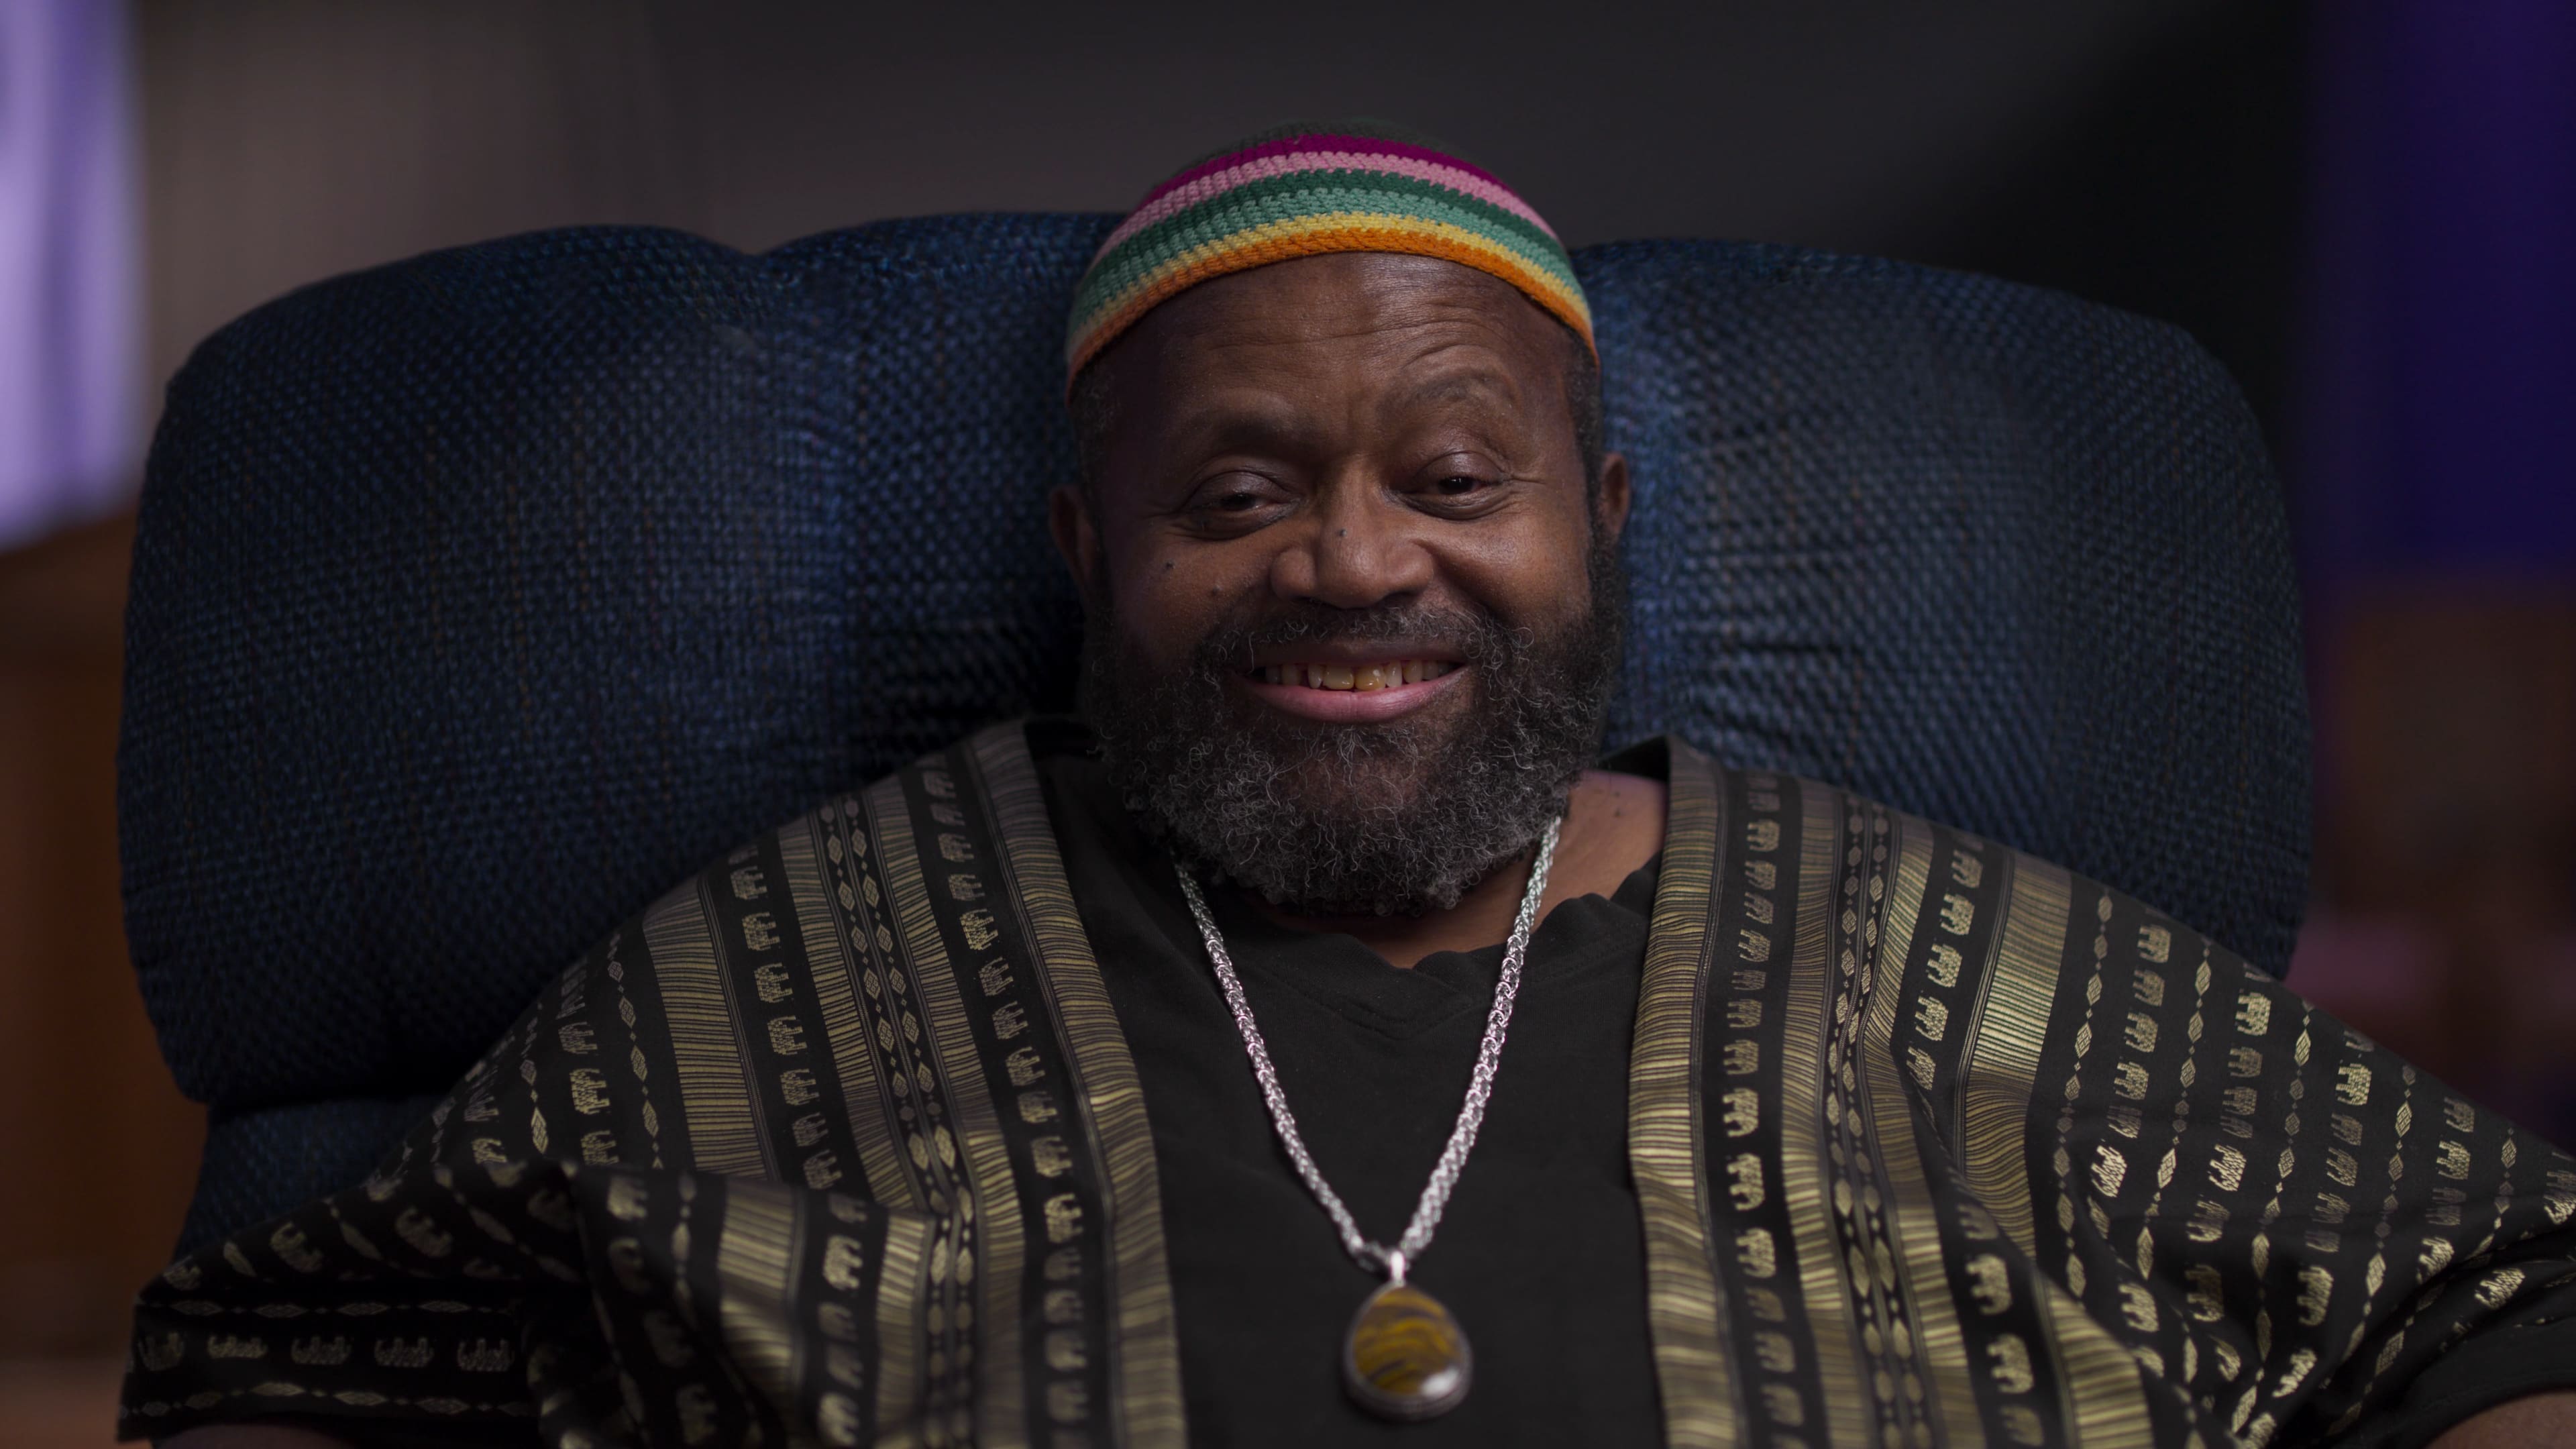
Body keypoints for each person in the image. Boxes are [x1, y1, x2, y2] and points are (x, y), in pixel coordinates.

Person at [128, 123, 2575, 1449]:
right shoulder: (793, 964)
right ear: (1092, 555)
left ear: (1593, 535)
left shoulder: (1947, 953)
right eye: (1235, 499)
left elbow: (2494, 1296)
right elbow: (318, 1367)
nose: (1354, 564)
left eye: (1454, 477)